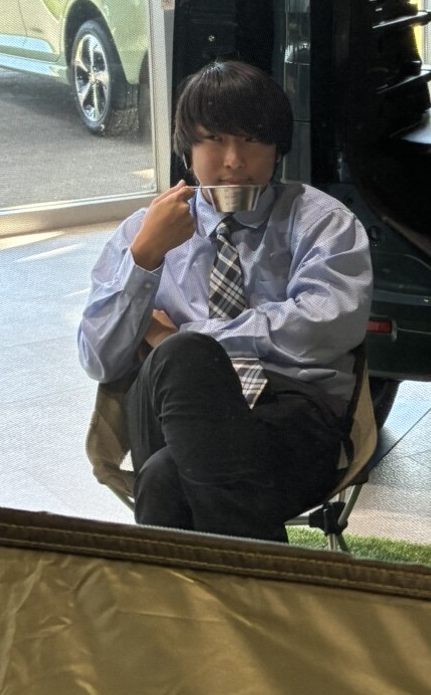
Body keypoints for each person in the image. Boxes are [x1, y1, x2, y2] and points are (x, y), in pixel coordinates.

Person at [78, 59, 372, 541]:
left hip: (291, 415)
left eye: (252, 140)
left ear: (277, 149)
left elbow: (325, 328)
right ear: (186, 147)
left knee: (163, 478)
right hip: (168, 415)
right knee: (183, 357)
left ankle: (219, 584)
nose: (234, 160)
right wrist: (145, 258)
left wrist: (188, 333)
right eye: (214, 139)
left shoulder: (321, 222)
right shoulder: (145, 232)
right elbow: (98, 359)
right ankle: (263, 574)